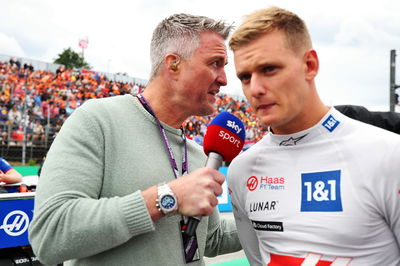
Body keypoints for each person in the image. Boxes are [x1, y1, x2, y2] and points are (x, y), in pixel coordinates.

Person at [29, 13, 241, 265]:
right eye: (215, 63)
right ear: (173, 64)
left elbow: (210, 239)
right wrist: (166, 198)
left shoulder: (197, 153)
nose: (224, 79)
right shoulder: (97, 120)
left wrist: (272, 218)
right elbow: (50, 234)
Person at [227, 6, 400, 266]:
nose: (256, 89)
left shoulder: (388, 154)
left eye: (269, 69)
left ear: (310, 65)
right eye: (245, 77)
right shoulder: (242, 170)